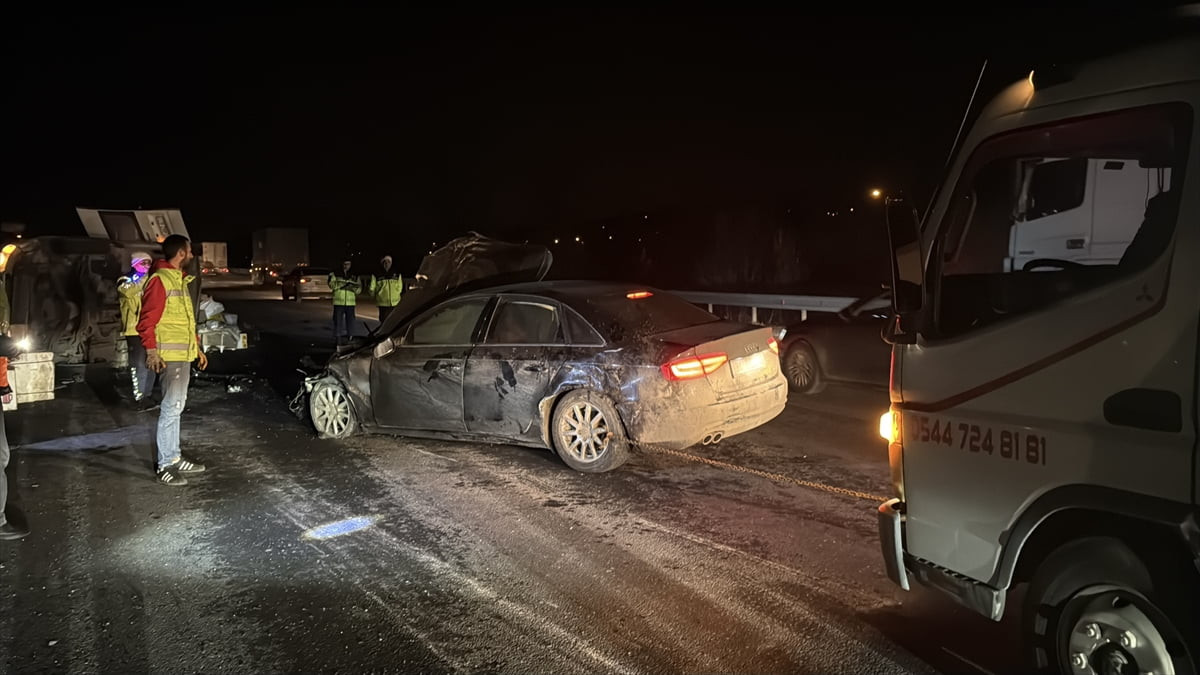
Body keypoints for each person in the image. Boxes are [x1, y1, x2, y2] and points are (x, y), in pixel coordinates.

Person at [137, 235, 208, 487]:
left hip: (184, 354)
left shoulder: (178, 279)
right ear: (180, 253)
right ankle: (165, 464)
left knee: (177, 406)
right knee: (170, 408)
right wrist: (152, 352)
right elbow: (146, 321)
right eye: (189, 251)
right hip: (170, 357)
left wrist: (197, 349)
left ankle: (174, 456)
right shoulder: (160, 280)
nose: (191, 255)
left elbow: (185, 322)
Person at [118, 252, 158, 409]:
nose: (147, 266)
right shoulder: (126, 280)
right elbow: (126, 291)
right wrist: (140, 278)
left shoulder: (151, 280)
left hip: (150, 328)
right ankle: (139, 398)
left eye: (149, 263)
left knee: (151, 362)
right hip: (133, 330)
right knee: (138, 364)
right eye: (143, 262)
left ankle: (147, 395)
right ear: (135, 264)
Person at [328, 259, 361, 344]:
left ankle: (350, 339)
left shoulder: (355, 275)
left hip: (350, 303)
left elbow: (359, 289)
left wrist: (351, 288)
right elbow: (331, 285)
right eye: (345, 264)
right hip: (338, 302)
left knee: (351, 323)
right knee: (337, 322)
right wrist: (342, 285)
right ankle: (338, 340)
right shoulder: (335, 273)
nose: (346, 266)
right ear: (342, 264)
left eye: (348, 264)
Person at [368, 255, 404, 323]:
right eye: (385, 262)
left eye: (388, 262)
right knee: (384, 321)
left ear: (391, 263)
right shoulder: (377, 274)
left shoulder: (397, 274)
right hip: (382, 303)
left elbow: (400, 286)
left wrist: (396, 294)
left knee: (394, 322)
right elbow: (372, 287)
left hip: (394, 303)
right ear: (382, 263)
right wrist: (375, 296)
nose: (387, 264)